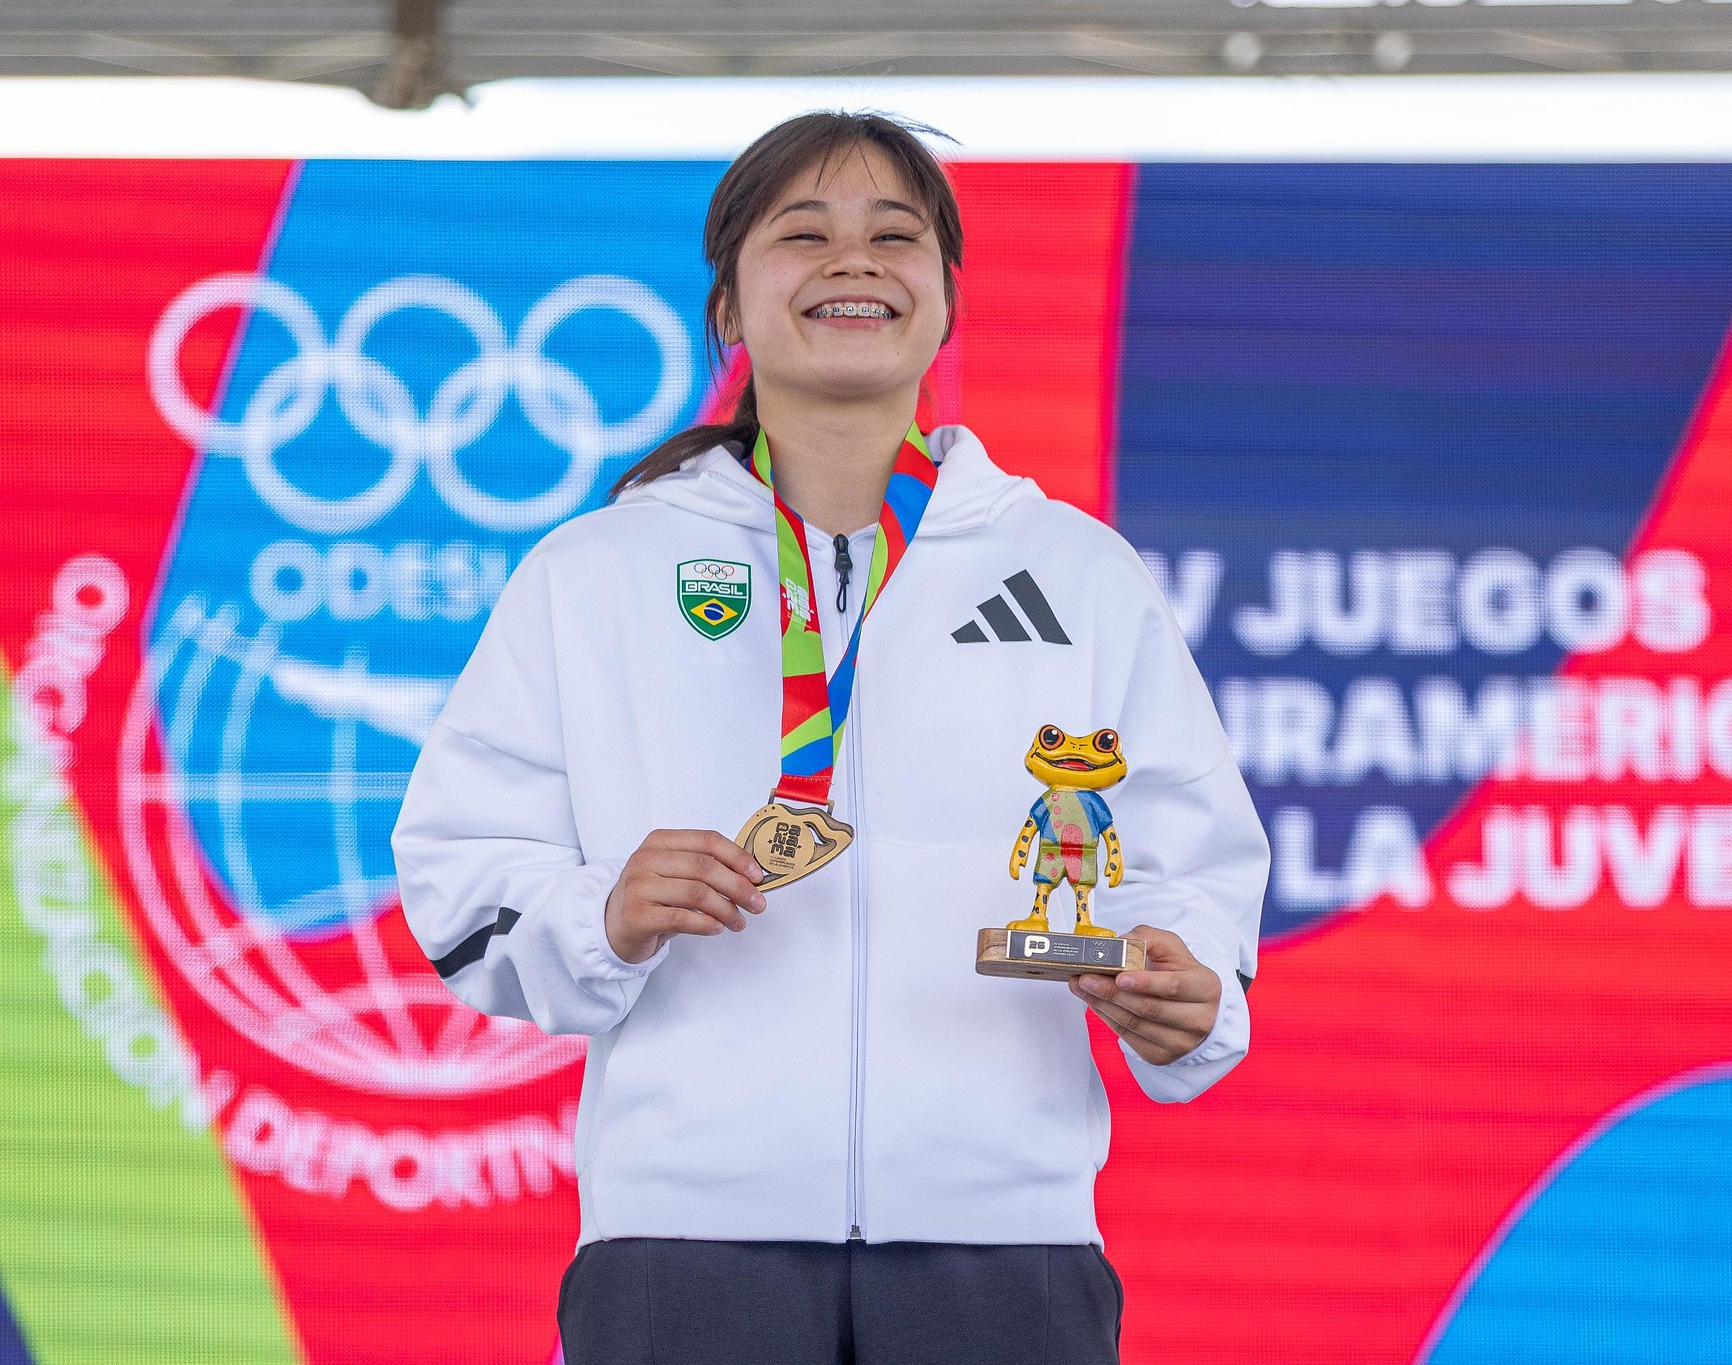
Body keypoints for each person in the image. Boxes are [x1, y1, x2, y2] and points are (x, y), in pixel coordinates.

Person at [390, 109, 1269, 1365]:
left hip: (1005, 1242)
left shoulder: (1073, 569)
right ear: (728, 306)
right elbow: (462, 876)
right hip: (682, 1248)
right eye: (802, 234)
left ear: (945, 299)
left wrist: (1186, 989)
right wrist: (605, 913)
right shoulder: (597, 573)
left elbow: (1191, 862)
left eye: (894, 236)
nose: (852, 260)